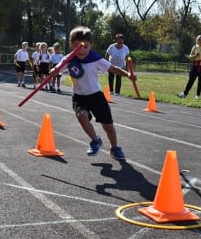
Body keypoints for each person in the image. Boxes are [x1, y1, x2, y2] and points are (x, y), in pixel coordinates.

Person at [49, 26, 136, 160]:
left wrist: (127, 74)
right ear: (71, 45)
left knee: (107, 125)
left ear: (90, 45)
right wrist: (53, 71)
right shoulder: (69, 59)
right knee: (81, 115)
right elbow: (57, 68)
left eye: (84, 46)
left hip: (96, 96)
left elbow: (112, 68)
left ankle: (115, 147)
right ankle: (95, 140)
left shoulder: (95, 58)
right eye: (76, 45)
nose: (81, 49)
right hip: (79, 96)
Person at [177, 34, 201, 100]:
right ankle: (184, 94)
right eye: (199, 40)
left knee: (200, 81)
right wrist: (195, 56)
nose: (200, 41)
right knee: (190, 80)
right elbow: (190, 57)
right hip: (195, 66)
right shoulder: (194, 47)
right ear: (196, 41)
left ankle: (197, 95)